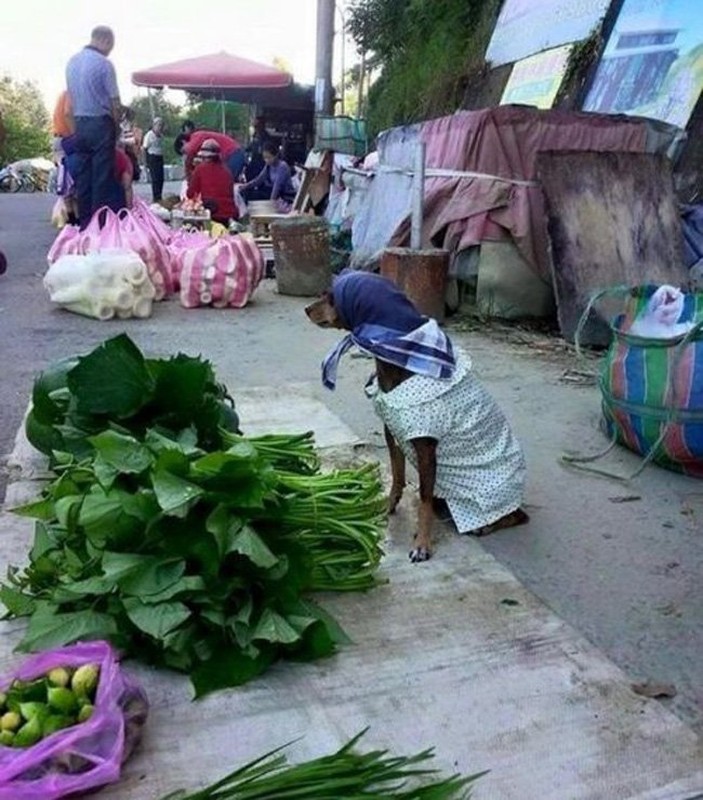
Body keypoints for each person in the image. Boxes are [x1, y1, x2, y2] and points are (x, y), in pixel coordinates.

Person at [65, 25, 122, 229]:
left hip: (80, 123)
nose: (110, 50)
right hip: (100, 123)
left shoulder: (71, 62)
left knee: (83, 179)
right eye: (111, 45)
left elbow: (69, 103)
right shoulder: (105, 65)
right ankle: (99, 228)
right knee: (101, 179)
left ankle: (84, 225)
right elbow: (114, 102)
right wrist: (117, 128)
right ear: (105, 40)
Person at [186, 138, 237, 225]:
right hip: (231, 215)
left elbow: (190, 194)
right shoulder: (227, 170)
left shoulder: (200, 169)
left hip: (213, 214)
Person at [241, 141, 296, 206]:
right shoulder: (268, 166)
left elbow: (277, 186)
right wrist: (246, 186)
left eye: (269, 157)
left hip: (286, 197)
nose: (267, 160)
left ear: (276, 155)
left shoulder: (282, 167)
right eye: (265, 158)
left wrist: (270, 204)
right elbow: (259, 180)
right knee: (251, 194)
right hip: (276, 195)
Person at [142, 117, 165, 202]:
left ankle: (159, 196)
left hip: (159, 157)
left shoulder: (161, 136)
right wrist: (145, 163)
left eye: (161, 125)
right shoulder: (149, 135)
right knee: (155, 179)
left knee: (161, 178)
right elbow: (144, 149)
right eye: (158, 125)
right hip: (152, 157)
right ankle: (156, 198)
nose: (160, 127)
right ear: (154, 125)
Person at [119, 107, 143, 182]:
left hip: (129, 154)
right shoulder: (119, 126)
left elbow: (135, 141)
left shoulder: (134, 128)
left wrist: (121, 141)